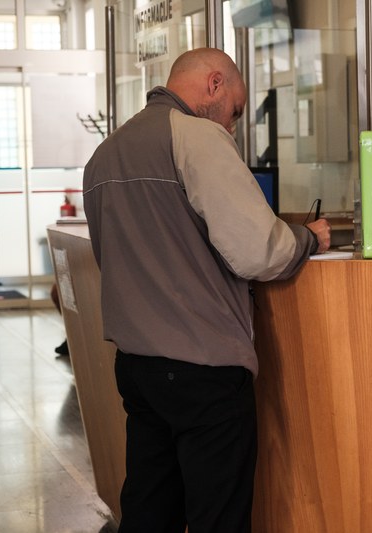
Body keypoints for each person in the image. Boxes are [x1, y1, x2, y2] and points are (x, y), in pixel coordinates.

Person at [83, 47, 330, 533]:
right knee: (218, 518)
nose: (232, 127)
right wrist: (307, 238)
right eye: (235, 111)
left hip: (137, 365)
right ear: (215, 84)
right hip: (203, 366)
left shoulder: (105, 153)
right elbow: (259, 251)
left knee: (150, 509)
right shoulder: (197, 137)